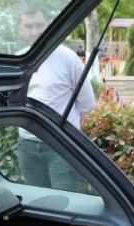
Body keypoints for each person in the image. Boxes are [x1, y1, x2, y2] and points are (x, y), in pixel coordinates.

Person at [14, 9, 96, 192]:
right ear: (20, 30)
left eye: (39, 25)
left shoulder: (67, 57)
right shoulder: (17, 61)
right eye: (29, 26)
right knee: (37, 200)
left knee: (66, 200)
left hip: (61, 144)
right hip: (26, 145)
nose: (35, 31)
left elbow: (88, 104)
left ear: (49, 27)